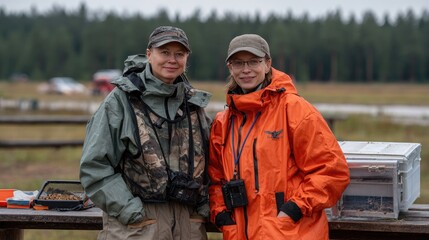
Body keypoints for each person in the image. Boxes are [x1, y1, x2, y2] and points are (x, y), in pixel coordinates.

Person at [208, 34, 350, 240]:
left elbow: (332, 171)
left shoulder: (295, 110)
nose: (246, 69)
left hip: (290, 233)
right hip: (239, 234)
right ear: (230, 68)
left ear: (267, 64)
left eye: (254, 62)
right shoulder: (224, 121)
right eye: (238, 63)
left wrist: (293, 209)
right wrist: (222, 215)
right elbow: (215, 179)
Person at [80, 26, 212, 240]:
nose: (172, 59)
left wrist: (202, 209)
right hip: (138, 228)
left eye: (179, 54)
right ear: (149, 54)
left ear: (187, 58)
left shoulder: (194, 105)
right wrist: (130, 211)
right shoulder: (121, 101)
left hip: (188, 227)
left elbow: (212, 163)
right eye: (165, 52)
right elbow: (95, 167)